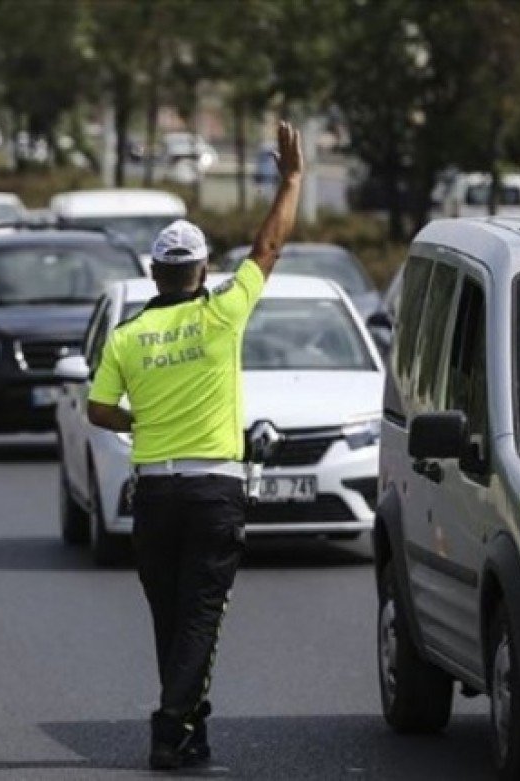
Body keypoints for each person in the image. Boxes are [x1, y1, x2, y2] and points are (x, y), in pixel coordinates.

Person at [86, 121, 304, 771]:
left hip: (152, 490)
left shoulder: (127, 336)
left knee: (172, 617)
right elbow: (268, 247)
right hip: (214, 491)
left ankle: (190, 728)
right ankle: (168, 727)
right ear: (204, 270)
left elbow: (97, 408)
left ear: (155, 273)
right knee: (201, 616)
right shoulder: (222, 314)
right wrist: (291, 178)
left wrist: (139, 420)